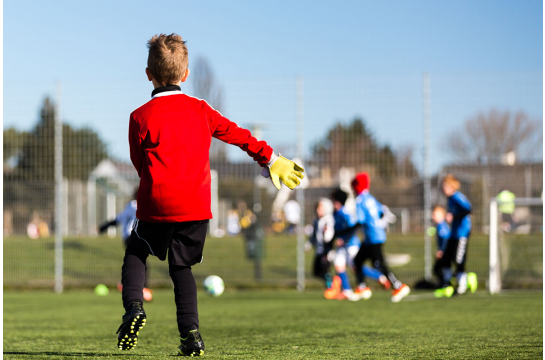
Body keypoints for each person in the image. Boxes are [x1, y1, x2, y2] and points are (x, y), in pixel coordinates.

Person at [117, 33, 304, 356]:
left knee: (136, 251)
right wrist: (270, 158)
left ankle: (134, 306)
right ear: (185, 74)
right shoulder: (201, 110)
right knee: (182, 269)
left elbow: (139, 164)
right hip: (196, 205)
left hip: (158, 201)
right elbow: (238, 135)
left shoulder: (139, 117)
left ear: (148, 73)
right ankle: (191, 335)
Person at [351, 172, 410, 302]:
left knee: (378, 264)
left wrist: (348, 231)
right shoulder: (370, 198)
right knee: (358, 261)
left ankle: (398, 286)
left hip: (373, 237)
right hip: (374, 236)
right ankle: (362, 288)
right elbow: (382, 211)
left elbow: (360, 220)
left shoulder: (360, 200)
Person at [325, 188, 389, 301]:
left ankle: (380, 277)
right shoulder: (335, 214)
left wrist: (344, 239)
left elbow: (353, 229)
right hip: (342, 246)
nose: (333, 203)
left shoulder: (345, 213)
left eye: (334, 201)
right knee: (338, 264)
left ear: (339, 201)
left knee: (356, 266)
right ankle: (347, 291)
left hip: (351, 244)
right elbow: (336, 231)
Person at [99, 188, 153, 302]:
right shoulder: (134, 205)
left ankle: (129, 285)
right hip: (132, 236)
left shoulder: (133, 205)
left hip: (134, 237)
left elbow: (118, 219)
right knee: (140, 263)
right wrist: (103, 227)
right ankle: (139, 288)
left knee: (138, 263)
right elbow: (119, 219)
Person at [437, 174, 477, 297]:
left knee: (459, 259)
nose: (443, 189)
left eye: (445, 186)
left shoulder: (457, 198)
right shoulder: (450, 199)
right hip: (453, 234)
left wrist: (454, 216)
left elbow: (467, 210)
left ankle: (462, 285)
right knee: (446, 258)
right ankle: (447, 284)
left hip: (461, 234)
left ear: (452, 187)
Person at [309, 198, 336, 289]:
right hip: (319, 250)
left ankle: (331, 286)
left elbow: (330, 235)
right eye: (317, 208)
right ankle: (332, 282)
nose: (318, 211)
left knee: (325, 269)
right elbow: (314, 235)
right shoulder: (316, 221)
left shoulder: (329, 220)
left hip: (327, 250)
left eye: (320, 209)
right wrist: (309, 243)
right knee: (316, 271)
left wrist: (329, 249)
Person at [430, 205, 451, 289]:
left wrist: (442, 251)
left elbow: (446, 238)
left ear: (441, 215)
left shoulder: (441, 226)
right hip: (446, 251)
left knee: (438, 268)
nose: (432, 216)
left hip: (446, 251)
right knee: (443, 268)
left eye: (434, 214)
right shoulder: (440, 225)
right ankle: (445, 283)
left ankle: (445, 284)